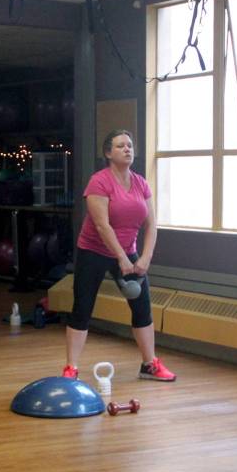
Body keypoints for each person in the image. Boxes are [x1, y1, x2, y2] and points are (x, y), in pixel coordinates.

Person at [62, 130, 175, 382]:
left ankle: (149, 364)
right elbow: (102, 226)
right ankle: (71, 368)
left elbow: (151, 225)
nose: (127, 149)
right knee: (82, 307)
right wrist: (122, 258)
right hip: (93, 250)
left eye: (130, 145)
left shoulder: (141, 183)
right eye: (120, 146)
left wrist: (144, 258)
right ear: (108, 153)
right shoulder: (99, 182)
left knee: (142, 306)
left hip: (128, 250)